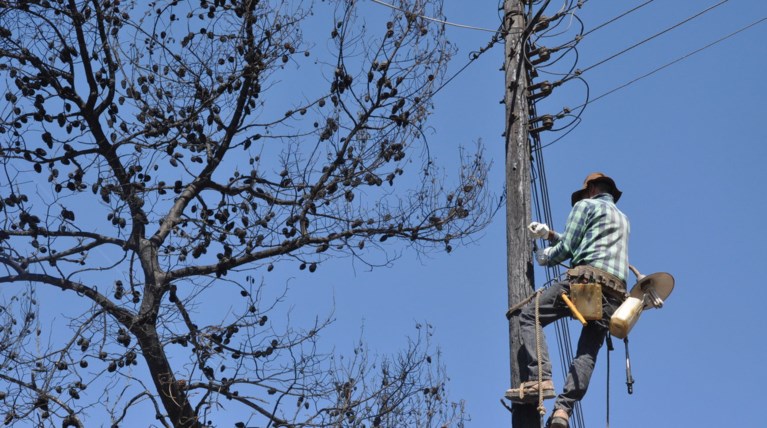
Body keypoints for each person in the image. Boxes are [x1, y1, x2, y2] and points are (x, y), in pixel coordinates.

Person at [505, 172, 630, 428]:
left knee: (530, 315)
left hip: (585, 283)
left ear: (591, 189)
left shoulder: (585, 205)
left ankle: (540, 377)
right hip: (614, 296)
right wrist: (550, 234)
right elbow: (586, 244)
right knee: (587, 352)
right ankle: (563, 411)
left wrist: (546, 256)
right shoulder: (623, 219)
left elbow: (569, 249)